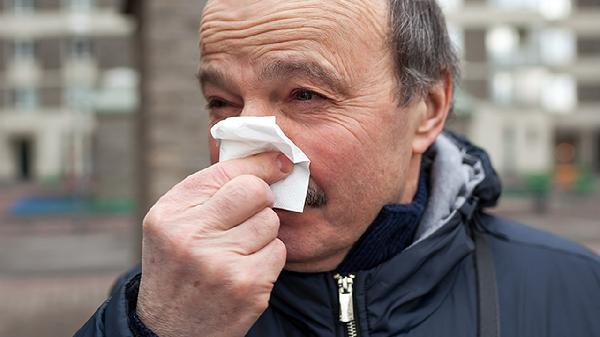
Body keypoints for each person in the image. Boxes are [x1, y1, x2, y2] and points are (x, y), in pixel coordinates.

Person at [75, 0, 600, 336]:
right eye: (221, 102)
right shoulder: (164, 297)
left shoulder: (575, 292)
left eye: (306, 94)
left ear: (430, 107)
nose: (250, 153)